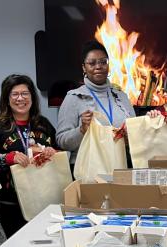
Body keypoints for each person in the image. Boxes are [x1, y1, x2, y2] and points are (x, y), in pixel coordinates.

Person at [0, 74, 58, 238]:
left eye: (25, 93)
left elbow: (59, 154)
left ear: (32, 97)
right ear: (7, 99)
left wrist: (53, 153)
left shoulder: (44, 125)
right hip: (10, 203)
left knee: (44, 246)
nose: (20, 98)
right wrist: (8, 158)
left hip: (44, 199)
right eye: (15, 94)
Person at [56, 40, 135, 169]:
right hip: (88, 170)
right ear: (84, 67)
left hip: (121, 166)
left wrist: (129, 134)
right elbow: (61, 141)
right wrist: (81, 130)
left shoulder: (121, 96)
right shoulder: (73, 97)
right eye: (92, 63)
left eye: (103, 62)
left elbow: (135, 134)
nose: (98, 66)